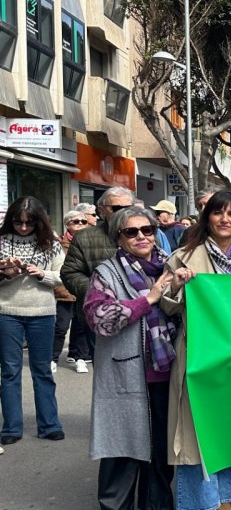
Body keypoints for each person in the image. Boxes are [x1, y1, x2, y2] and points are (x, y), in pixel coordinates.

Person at [160, 191, 231, 510]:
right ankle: (198, 503)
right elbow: (166, 306)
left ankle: (224, 500)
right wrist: (177, 284)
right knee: (196, 435)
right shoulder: (183, 257)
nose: (225, 219)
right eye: (218, 213)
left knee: (226, 431)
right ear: (207, 218)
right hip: (199, 358)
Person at [84, 206, 177, 510]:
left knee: (162, 454)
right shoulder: (106, 272)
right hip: (126, 374)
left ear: (155, 233)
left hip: (167, 373)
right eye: (131, 232)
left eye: (147, 230)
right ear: (119, 238)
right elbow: (100, 319)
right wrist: (148, 299)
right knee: (122, 453)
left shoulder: (172, 267)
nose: (141, 237)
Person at [0, 197, 66, 445]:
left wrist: (43, 274)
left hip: (43, 312)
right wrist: (5, 272)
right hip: (6, 311)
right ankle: (11, 427)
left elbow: (63, 275)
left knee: (43, 370)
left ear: (39, 221)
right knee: (9, 372)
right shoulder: (2, 240)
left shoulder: (51, 243)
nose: (24, 228)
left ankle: (49, 424)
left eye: (29, 223)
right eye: (18, 222)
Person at [62, 186, 137, 374]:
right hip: (99, 316)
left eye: (128, 207)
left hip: (139, 312)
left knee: (138, 372)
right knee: (107, 374)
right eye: (117, 208)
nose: (124, 213)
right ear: (102, 210)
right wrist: (99, 293)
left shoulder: (143, 232)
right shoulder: (85, 238)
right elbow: (70, 273)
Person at [51, 210, 90, 372]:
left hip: (84, 290)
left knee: (82, 326)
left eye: (83, 221)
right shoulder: (58, 244)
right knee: (61, 327)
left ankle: (80, 358)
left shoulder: (90, 242)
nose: (80, 224)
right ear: (67, 224)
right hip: (64, 291)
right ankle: (52, 358)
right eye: (76, 221)